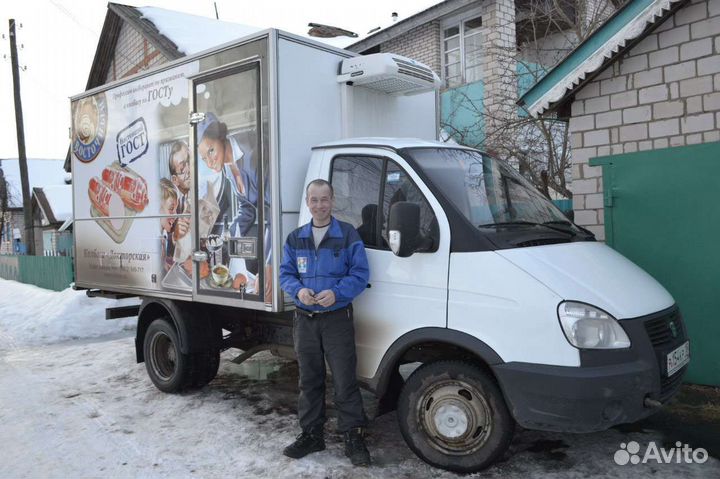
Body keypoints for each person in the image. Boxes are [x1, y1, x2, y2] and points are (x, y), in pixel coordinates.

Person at [279, 179, 371, 466]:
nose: (319, 205)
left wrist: (337, 293)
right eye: (314, 200)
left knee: (344, 380)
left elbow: (360, 274)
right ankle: (311, 434)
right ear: (307, 203)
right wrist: (298, 290)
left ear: (333, 201)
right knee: (309, 380)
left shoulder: (347, 235)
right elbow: (285, 274)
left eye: (324, 199)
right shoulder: (296, 239)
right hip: (305, 320)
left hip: (336, 319)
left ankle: (353, 436)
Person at [159, 178, 179, 271]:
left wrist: (165, 262)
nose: (175, 215)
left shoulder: (164, 235)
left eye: (176, 209)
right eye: (171, 209)